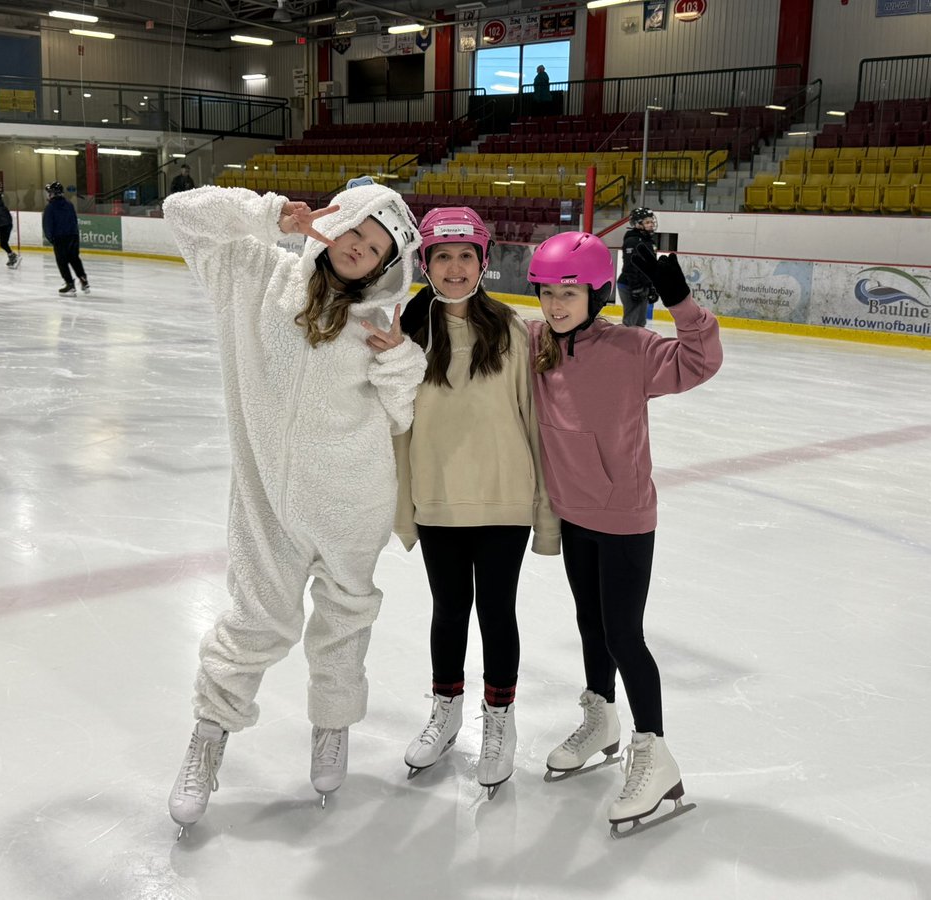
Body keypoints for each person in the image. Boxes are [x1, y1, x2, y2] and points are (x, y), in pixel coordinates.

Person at [162, 178, 425, 836]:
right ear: (332, 226)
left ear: (390, 264)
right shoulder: (253, 273)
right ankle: (209, 740)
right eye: (355, 231)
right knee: (255, 621)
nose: (359, 248)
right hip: (265, 502)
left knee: (344, 619)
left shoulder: (379, 328)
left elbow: (404, 417)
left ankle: (331, 726)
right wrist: (269, 214)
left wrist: (400, 365)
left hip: (353, 499)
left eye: (375, 246)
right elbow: (183, 216)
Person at [525, 232, 722, 835]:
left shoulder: (632, 349)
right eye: (546, 293)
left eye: (569, 292)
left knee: (623, 636)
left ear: (598, 294)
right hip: (573, 513)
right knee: (590, 624)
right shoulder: (537, 343)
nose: (556, 305)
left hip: (624, 516)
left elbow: (700, 361)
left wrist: (679, 299)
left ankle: (655, 753)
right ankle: (600, 716)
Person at [393, 207, 559, 798]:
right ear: (427, 264)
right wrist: (403, 506)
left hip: (502, 499)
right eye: (443, 256)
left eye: (466, 256)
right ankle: (446, 710)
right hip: (438, 499)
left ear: (483, 262)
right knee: (448, 610)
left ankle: (499, 719)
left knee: (496, 610)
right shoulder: (409, 335)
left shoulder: (514, 332)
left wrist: (544, 514)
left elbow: (535, 421)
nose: (455, 267)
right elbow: (399, 429)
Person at [41, 182, 88, 295]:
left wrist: (51, 239)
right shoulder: (69, 204)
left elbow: (47, 225)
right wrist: (75, 235)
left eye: (50, 192)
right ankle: (83, 279)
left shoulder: (50, 208)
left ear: (53, 194)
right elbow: (74, 221)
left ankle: (69, 284)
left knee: (62, 261)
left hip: (60, 238)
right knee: (74, 258)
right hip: (73, 236)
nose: (48, 195)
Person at [616, 207, 658, 327]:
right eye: (647, 222)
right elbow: (630, 266)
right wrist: (635, 287)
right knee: (631, 321)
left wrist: (651, 287)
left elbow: (651, 266)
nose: (651, 225)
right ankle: (625, 345)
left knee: (641, 322)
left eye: (652, 222)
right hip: (629, 285)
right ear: (637, 224)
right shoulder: (632, 241)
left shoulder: (649, 241)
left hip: (642, 285)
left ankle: (638, 345)